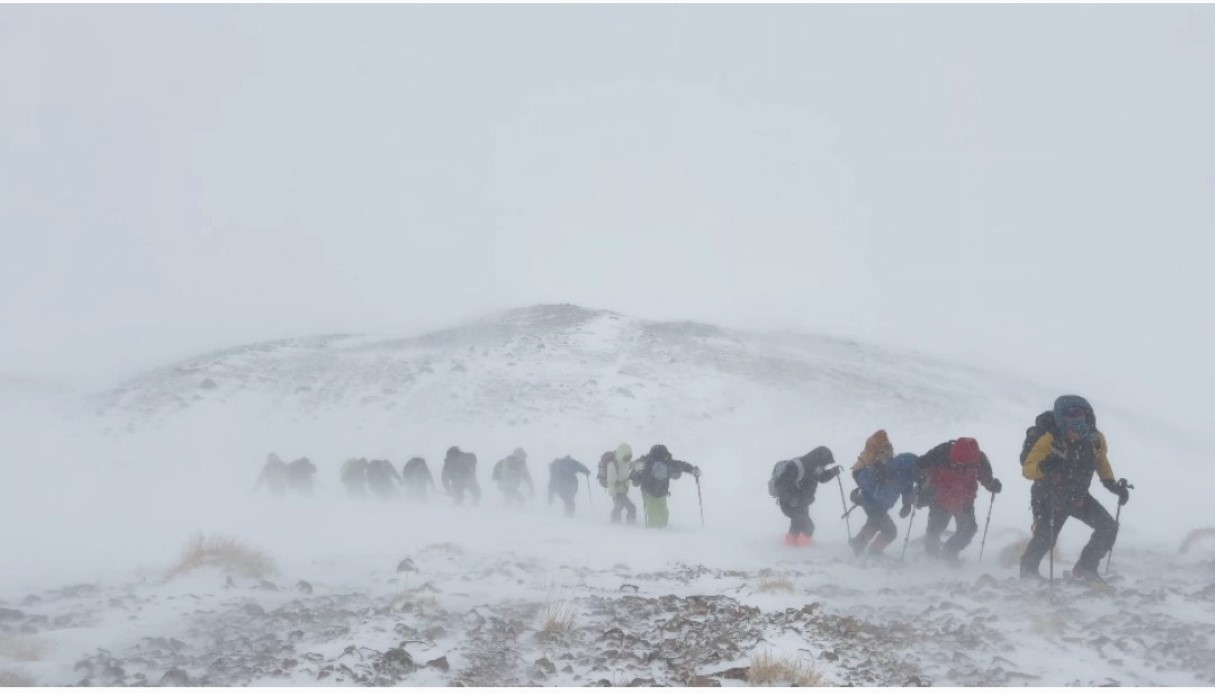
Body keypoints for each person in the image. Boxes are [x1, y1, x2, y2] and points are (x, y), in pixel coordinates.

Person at [1019, 395, 1129, 581]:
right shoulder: (1049, 439)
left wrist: (1112, 485)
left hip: (1078, 496)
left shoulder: (1095, 439)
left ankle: (1086, 567)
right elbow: (1028, 469)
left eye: (1081, 427)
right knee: (1046, 537)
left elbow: (1101, 461)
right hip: (1048, 494)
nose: (1077, 433)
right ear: (1062, 423)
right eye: (1072, 428)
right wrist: (1045, 467)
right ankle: (1028, 571)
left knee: (1108, 527)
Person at [915, 437, 1002, 563]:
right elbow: (921, 465)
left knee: (967, 530)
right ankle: (931, 555)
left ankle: (949, 553)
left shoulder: (979, 459)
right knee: (937, 527)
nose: (961, 467)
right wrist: (922, 487)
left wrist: (992, 485)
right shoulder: (942, 452)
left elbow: (986, 477)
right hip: (941, 497)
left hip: (964, 500)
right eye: (958, 463)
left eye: (966, 465)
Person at [849, 430, 916, 556]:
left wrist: (906, 504)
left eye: (888, 451)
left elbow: (907, 487)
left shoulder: (903, 471)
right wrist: (861, 497)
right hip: (873, 505)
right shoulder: (876, 469)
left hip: (877, 505)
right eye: (882, 452)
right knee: (890, 531)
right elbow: (864, 480)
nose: (885, 455)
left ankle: (858, 543)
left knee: (874, 523)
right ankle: (874, 551)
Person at [768, 446, 842, 546]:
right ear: (818, 460)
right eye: (824, 464)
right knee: (808, 527)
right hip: (789, 504)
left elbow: (821, 478)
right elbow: (780, 485)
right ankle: (803, 550)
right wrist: (791, 499)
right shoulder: (796, 467)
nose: (824, 467)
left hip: (801, 503)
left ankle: (790, 545)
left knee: (796, 526)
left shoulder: (815, 467)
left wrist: (832, 473)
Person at [629, 444, 701, 529]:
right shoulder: (667, 462)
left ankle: (654, 532)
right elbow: (682, 465)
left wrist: (639, 478)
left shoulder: (646, 462)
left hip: (648, 491)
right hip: (661, 491)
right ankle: (659, 532)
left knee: (653, 511)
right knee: (661, 511)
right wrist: (693, 470)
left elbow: (633, 476)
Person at [605, 443, 637, 525]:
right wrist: (613, 494)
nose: (628, 459)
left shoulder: (624, 462)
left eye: (629, 457)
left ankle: (614, 523)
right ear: (621, 454)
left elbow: (629, 466)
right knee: (631, 507)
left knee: (618, 508)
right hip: (617, 492)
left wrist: (637, 462)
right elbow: (611, 481)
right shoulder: (612, 464)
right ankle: (630, 525)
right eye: (626, 457)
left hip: (623, 490)